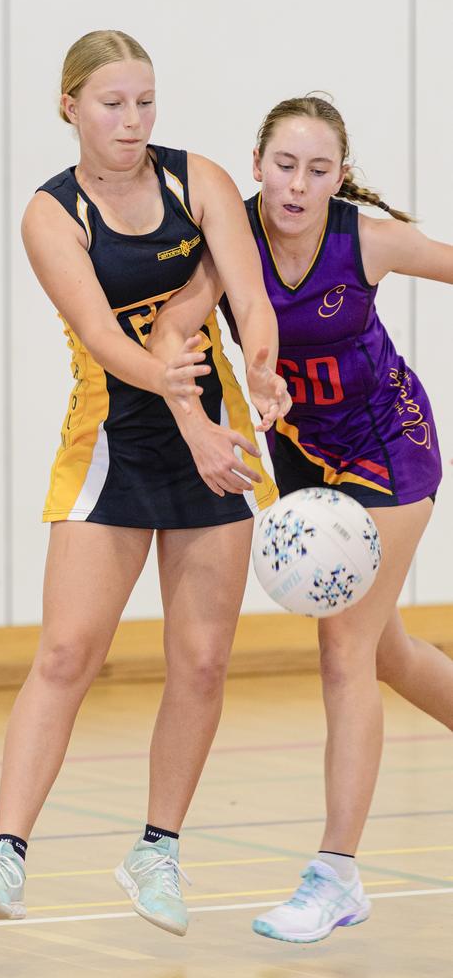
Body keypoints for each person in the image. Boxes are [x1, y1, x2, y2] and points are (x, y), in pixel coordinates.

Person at [0, 30, 290, 937]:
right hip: (115, 440)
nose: (133, 121)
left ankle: (158, 849)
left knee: (204, 661)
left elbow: (248, 295)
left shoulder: (200, 180)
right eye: (112, 104)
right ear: (69, 106)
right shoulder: (51, 214)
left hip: (214, 438)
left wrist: (259, 365)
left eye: (145, 102)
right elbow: (112, 343)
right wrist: (194, 421)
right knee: (67, 654)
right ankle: (5, 854)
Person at [150, 94, 452, 944]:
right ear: (256, 164)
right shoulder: (232, 240)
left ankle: (337, 876)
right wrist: (213, 403)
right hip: (306, 467)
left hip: (391, 447)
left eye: (319, 170)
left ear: (340, 177)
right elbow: (177, 326)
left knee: (344, 649)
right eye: (285, 165)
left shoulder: (367, 240)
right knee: (386, 650)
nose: (298, 184)